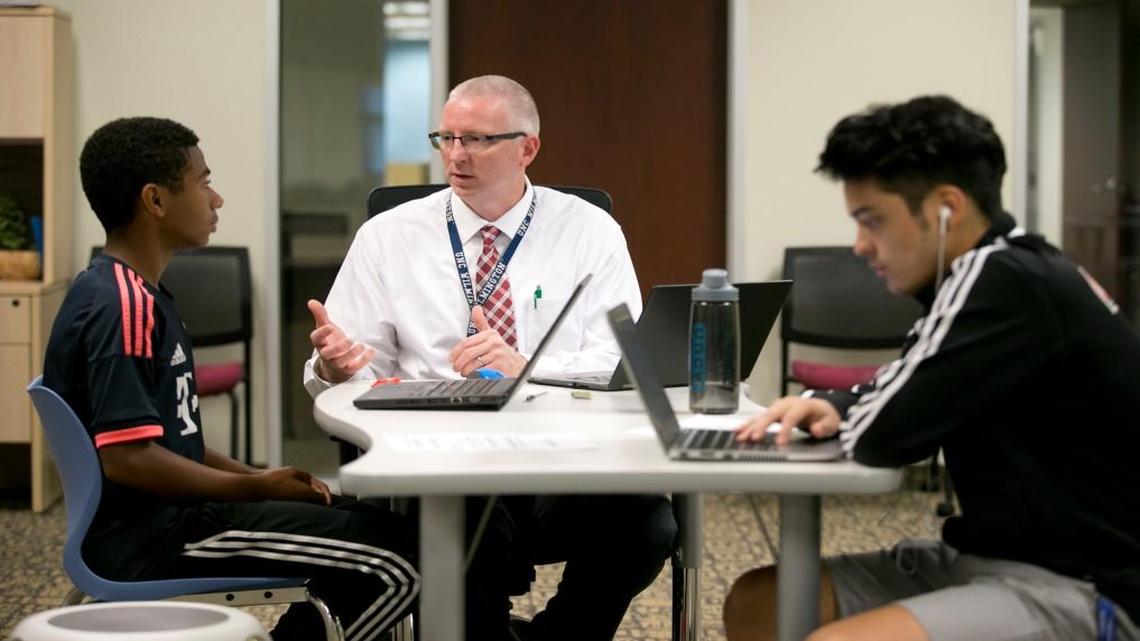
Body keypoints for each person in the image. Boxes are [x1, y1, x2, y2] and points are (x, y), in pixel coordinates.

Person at [724, 96, 1140, 641]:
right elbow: (911, 383)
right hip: (994, 554)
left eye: (873, 221)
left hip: (1086, 585)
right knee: (762, 604)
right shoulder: (996, 272)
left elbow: (885, 434)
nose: (861, 245)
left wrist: (855, 411)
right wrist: (835, 404)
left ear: (947, 207)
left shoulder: (1001, 278)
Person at [303, 75, 676, 641]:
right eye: (446, 138)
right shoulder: (389, 236)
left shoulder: (588, 231)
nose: (457, 155)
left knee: (647, 522)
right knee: (466, 518)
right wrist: (335, 368)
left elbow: (617, 361)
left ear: (527, 148)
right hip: (439, 458)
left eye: (478, 140)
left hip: (561, 456)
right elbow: (357, 370)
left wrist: (525, 365)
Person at [44, 117, 419, 641]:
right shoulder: (120, 306)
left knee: (374, 519)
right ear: (155, 200)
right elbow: (129, 457)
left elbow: (175, 443)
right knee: (399, 562)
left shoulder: (139, 294)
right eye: (203, 182)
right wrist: (251, 486)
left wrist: (262, 479)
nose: (216, 199)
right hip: (156, 537)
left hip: (179, 518)